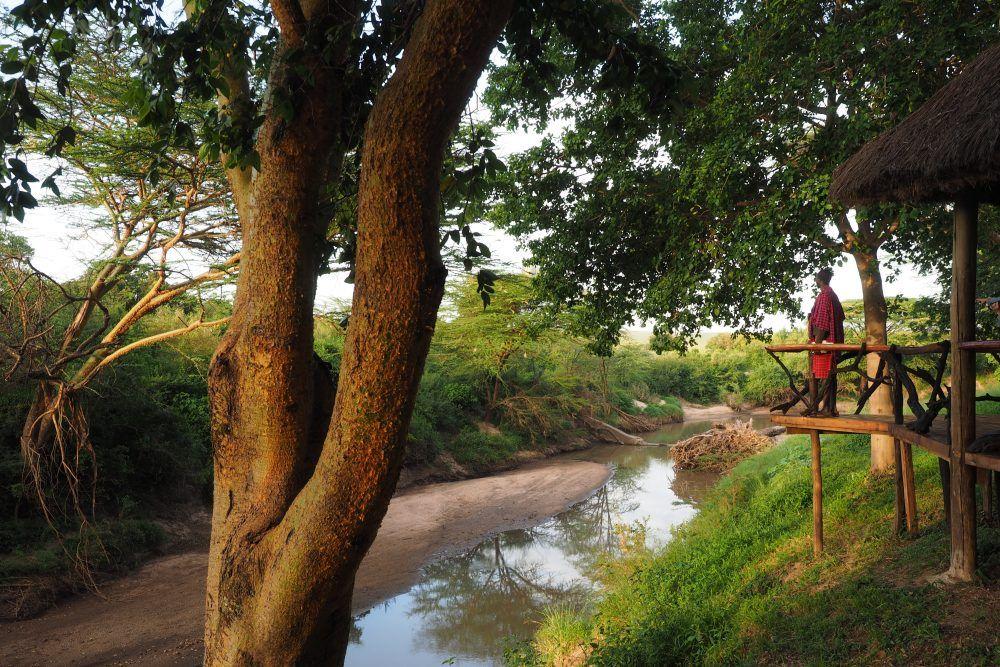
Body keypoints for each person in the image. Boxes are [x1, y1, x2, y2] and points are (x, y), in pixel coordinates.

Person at [808, 267, 845, 415]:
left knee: (824, 375)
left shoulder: (825, 295)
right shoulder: (832, 295)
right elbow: (840, 316)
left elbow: (822, 322)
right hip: (832, 341)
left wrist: (816, 343)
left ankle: (825, 408)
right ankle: (830, 408)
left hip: (825, 343)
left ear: (819, 280)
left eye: (816, 278)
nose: (815, 280)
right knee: (830, 374)